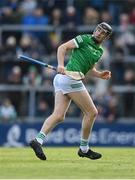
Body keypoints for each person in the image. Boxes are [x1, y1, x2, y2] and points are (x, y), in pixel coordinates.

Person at [30, 22, 112, 160]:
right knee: (92, 113)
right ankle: (84, 149)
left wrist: (99, 74)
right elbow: (63, 47)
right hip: (69, 78)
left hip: (64, 80)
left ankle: (38, 140)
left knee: (59, 115)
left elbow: (89, 68)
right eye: (98, 29)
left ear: (106, 37)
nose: (98, 32)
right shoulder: (84, 39)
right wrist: (61, 64)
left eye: (102, 32)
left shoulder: (100, 52)